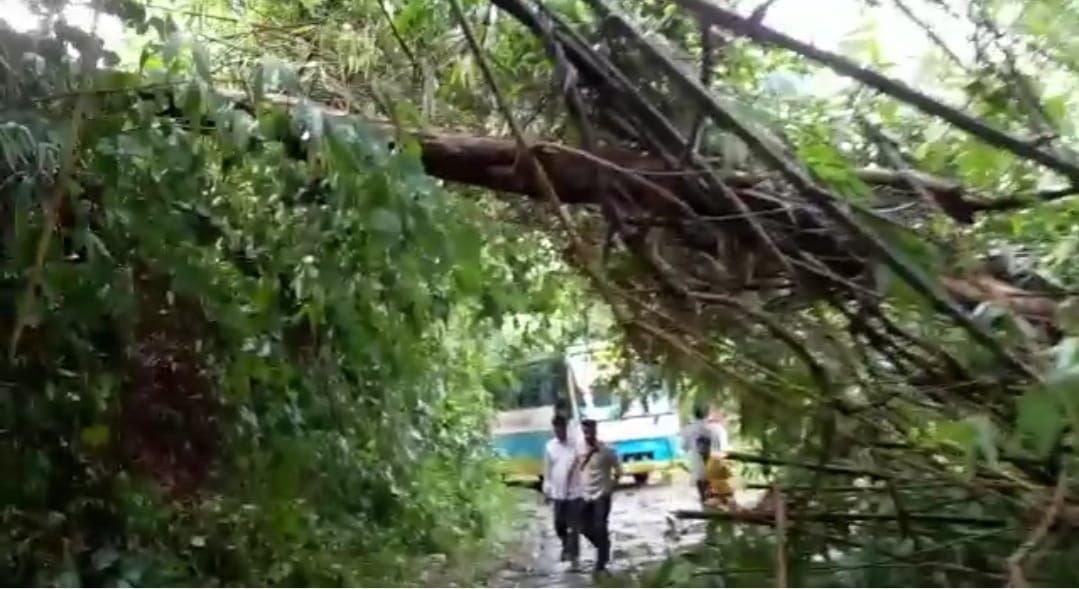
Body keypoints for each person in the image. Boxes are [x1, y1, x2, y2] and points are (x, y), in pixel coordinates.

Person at [577, 418, 622, 574]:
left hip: (602, 494)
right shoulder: (579, 449)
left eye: (590, 430)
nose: (587, 434)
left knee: (600, 525)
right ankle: (603, 546)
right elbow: (576, 469)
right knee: (582, 526)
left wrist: (610, 488)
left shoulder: (607, 450)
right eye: (585, 431)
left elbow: (619, 471)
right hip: (585, 494)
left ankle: (601, 562)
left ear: (595, 430)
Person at [543, 414, 581, 567]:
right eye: (557, 429)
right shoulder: (550, 447)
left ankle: (574, 557)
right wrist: (547, 489)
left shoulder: (576, 445)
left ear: (566, 428)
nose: (560, 432)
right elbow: (547, 470)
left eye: (562, 428)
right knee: (559, 524)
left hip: (575, 493)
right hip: (558, 493)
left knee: (575, 526)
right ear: (554, 430)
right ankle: (566, 543)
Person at [681, 405, 725, 502]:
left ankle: (705, 504)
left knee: (704, 498)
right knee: (721, 497)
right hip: (717, 469)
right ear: (708, 413)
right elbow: (725, 448)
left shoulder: (688, 429)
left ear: (694, 414)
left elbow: (684, 447)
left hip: (699, 471)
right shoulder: (717, 427)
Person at [696, 435, 735, 509]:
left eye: (704, 446)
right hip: (714, 495)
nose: (701, 448)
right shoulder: (702, 462)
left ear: (709, 446)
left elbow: (730, 476)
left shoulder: (716, 459)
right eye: (699, 446)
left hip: (724, 495)